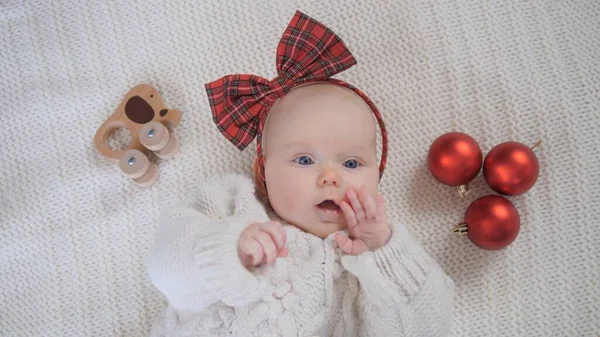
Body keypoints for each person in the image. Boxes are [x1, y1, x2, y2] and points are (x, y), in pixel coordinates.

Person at [146, 10, 454, 337]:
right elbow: (166, 270)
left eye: (351, 164)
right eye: (305, 160)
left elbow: (430, 325)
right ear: (262, 170)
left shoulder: (369, 262)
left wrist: (385, 256)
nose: (330, 177)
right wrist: (227, 249)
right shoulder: (232, 203)